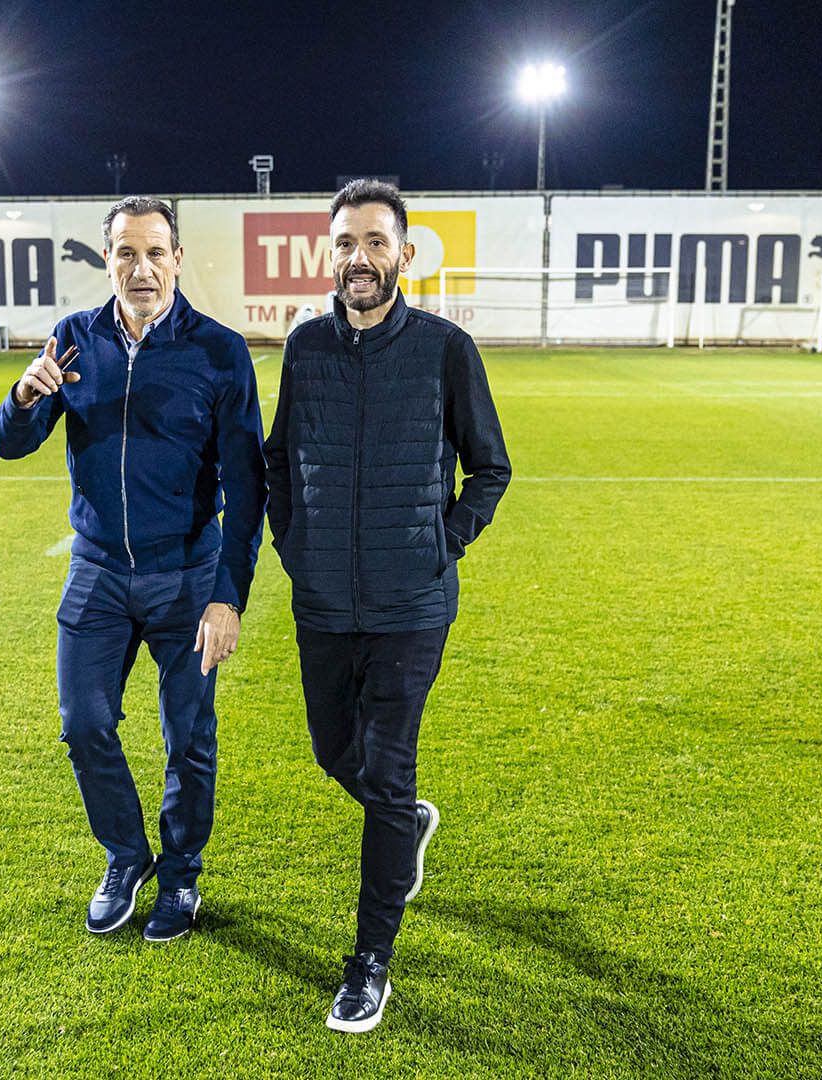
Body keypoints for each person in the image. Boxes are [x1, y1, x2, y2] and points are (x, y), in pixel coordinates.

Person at [263, 179, 511, 1031]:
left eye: (375, 241)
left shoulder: (445, 349)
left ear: (405, 253)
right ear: (329, 254)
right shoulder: (305, 347)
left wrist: (442, 543)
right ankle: (405, 821)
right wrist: (293, 544)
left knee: (389, 767)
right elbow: (279, 458)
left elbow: (490, 468)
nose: (359, 257)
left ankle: (369, 962)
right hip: (324, 603)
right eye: (346, 242)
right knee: (335, 752)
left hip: (412, 606)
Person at [0, 196, 265, 942]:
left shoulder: (219, 351)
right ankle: (125, 856)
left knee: (189, 738)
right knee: (84, 724)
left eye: (154, 253)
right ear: (107, 258)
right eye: (126, 253)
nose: (141, 269)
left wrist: (227, 596)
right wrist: (23, 397)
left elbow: (248, 489)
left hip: (188, 576)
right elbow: (12, 443)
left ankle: (180, 877)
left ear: (177, 258)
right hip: (98, 572)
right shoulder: (74, 339)